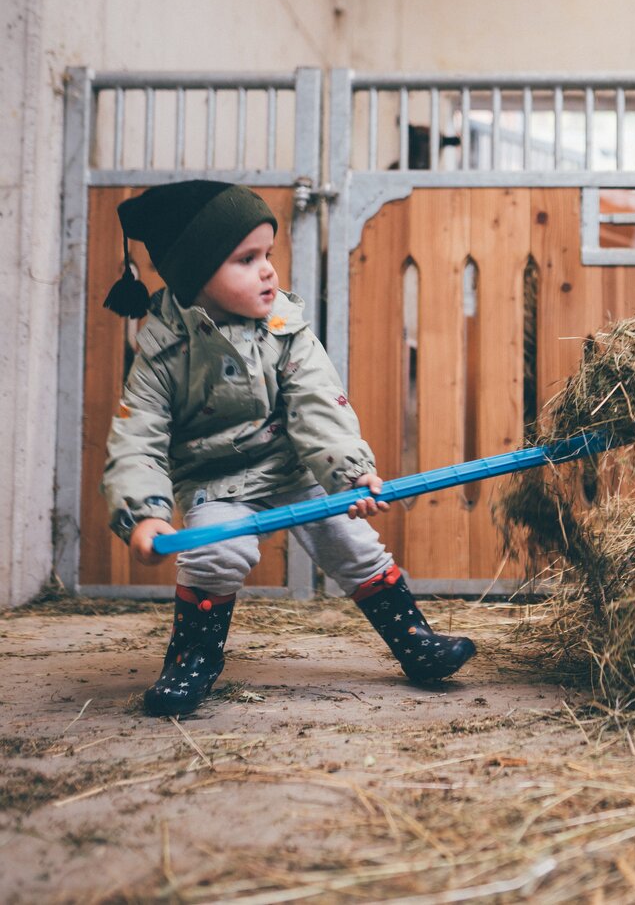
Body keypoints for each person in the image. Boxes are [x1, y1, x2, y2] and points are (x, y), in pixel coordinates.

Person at [101, 180, 475, 717]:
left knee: (353, 541)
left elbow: (319, 403)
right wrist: (142, 515)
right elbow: (137, 438)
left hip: (295, 469)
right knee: (215, 551)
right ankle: (191, 662)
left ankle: (416, 644)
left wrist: (349, 474)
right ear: (194, 275)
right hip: (215, 483)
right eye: (246, 258)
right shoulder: (161, 354)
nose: (269, 270)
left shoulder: (286, 329)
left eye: (268, 255)